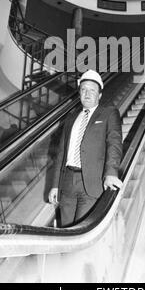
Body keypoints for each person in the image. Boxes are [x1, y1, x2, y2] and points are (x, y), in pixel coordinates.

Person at [48, 69, 123, 227]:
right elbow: (61, 153)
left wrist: (111, 173)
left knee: (81, 229)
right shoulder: (70, 118)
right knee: (65, 229)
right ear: (79, 93)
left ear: (99, 95)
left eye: (92, 90)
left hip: (91, 182)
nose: (87, 94)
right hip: (67, 181)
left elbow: (114, 143)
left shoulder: (109, 113)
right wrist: (55, 185)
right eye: (83, 90)